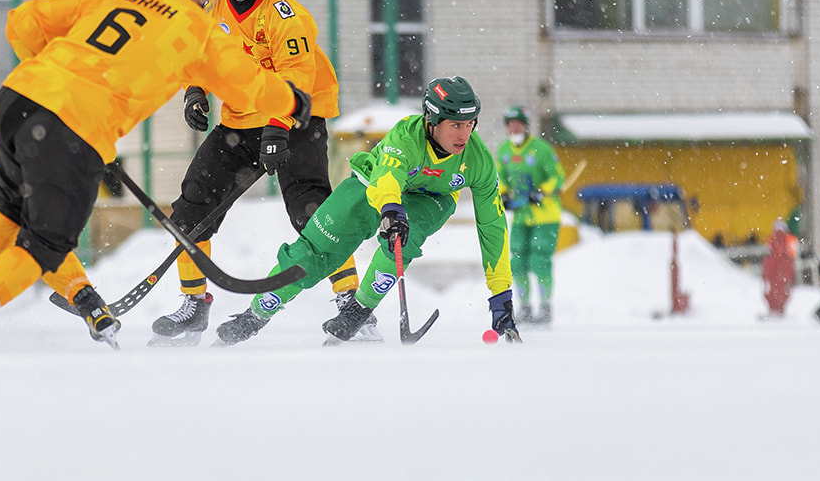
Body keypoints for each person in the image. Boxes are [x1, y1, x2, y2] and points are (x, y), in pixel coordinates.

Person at [0, 0, 312, 350]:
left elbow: (23, 21)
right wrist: (293, 102)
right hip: (71, 126)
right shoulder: (197, 27)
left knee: (10, 202)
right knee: (46, 243)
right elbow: (248, 84)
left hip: (17, 100)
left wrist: (55, 81)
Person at [150, 0, 369, 346]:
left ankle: (350, 305)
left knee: (314, 213)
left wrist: (277, 127)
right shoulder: (211, 11)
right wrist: (194, 93)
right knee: (192, 204)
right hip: (240, 121)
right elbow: (196, 56)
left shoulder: (286, 14)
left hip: (297, 119)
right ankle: (194, 306)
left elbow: (298, 76)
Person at [214, 76, 519, 345]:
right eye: (455, 125)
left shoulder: (478, 160)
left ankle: (358, 311)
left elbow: (492, 225)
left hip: (430, 199)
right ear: (432, 120)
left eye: (470, 124)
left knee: (404, 238)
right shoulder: (406, 137)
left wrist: (501, 296)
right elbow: (386, 179)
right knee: (317, 248)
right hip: (373, 185)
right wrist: (390, 210)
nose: (464, 135)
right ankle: (256, 314)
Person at [495, 105, 565, 326]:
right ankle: (524, 308)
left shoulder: (541, 149)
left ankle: (545, 308)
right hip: (520, 216)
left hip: (545, 216)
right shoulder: (504, 151)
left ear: (525, 126)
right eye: (510, 123)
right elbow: (500, 177)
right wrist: (504, 195)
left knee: (539, 259)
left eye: (518, 123)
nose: (514, 127)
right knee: (517, 261)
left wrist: (542, 191)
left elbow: (557, 176)